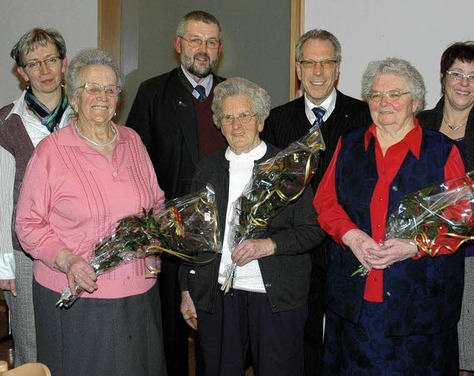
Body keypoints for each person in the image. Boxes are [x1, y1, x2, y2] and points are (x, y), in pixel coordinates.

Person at [15, 48, 167, 376]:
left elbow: (156, 203)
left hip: (139, 294)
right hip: (77, 298)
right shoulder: (51, 153)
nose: (102, 97)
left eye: (110, 89)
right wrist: (67, 259)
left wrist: (161, 235)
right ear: (73, 98)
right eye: (91, 89)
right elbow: (27, 223)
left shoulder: (133, 142)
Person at [313, 57, 467, 375]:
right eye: (375, 94)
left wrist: (414, 246)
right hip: (355, 306)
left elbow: (461, 219)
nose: (384, 103)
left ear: (416, 102)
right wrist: (352, 237)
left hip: (420, 310)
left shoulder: (442, 151)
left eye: (395, 94)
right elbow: (326, 203)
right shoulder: (349, 144)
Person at [179, 77, 325, 376]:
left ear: (260, 121)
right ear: (219, 124)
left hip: (275, 297)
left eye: (244, 115)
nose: (236, 125)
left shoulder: (287, 167)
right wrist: (185, 290)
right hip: (218, 297)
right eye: (228, 117)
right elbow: (192, 239)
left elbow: (313, 229)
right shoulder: (206, 169)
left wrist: (268, 245)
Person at [261, 29, 371, 375]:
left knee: (348, 339)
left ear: (338, 68)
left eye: (326, 63)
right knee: (300, 340)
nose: (318, 71)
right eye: (310, 62)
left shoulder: (364, 116)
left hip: (347, 247)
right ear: (298, 68)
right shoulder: (276, 120)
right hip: (296, 251)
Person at [126, 10, 226, 375]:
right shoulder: (152, 93)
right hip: (169, 236)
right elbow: (134, 166)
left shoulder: (233, 96)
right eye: (195, 40)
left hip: (221, 238)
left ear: (219, 48)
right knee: (169, 333)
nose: (203, 49)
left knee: (216, 333)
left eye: (211, 42)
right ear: (178, 44)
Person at [416, 41, 474, 375]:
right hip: (423, 257)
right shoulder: (418, 124)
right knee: (425, 351)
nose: (464, 82)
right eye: (457, 73)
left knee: (469, 358)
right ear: (443, 77)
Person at [0, 27, 73, 366]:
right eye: (34, 63)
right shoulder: (6, 123)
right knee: (31, 344)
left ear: (64, 64)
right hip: (24, 253)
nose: (44, 71)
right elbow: (1, 198)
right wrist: (5, 264)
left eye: (51, 60)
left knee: (77, 336)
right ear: (21, 72)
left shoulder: (86, 116)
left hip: (78, 246)